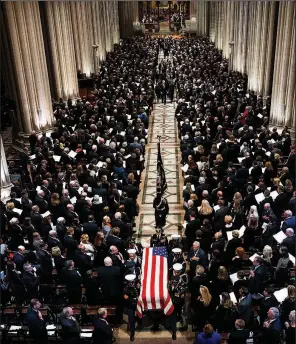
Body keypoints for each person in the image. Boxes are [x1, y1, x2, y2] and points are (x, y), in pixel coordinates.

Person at [168, 263, 188, 340]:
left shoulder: (184, 277)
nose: (176, 273)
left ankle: (180, 318)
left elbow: (186, 287)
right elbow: (169, 288)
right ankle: (174, 332)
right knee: (173, 316)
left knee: (179, 311)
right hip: (173, 300)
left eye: (177, 272)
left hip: (180, 299)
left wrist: (179, 289)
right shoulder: (172, 276)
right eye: (175, 271)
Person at [123, 274, 140, 342]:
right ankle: (132, 333)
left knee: (140, 316)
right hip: (130, 305)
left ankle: (139, 321)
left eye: (132, 282)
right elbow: (126, 298)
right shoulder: (125, 289)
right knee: (131, 319)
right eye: (129, 282)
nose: (131, 283)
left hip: (137, 304)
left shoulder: (137, 286)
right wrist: (134, 299)